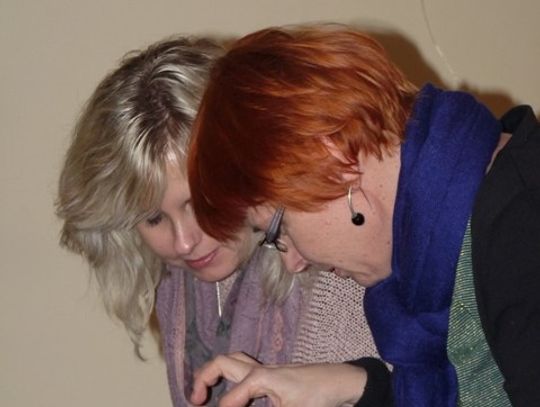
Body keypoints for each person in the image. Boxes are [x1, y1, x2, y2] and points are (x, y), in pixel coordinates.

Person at [187, 25, 540, 406]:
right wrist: (353, 385)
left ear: (332, 157)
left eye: (278, 229)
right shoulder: (455, 236)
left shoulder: (520, 227)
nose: (293, 262)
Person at [56, 35, 380, 407]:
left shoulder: (335, 270)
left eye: (199, 203)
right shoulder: (176, 282)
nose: (183, 242)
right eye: (153, 218)